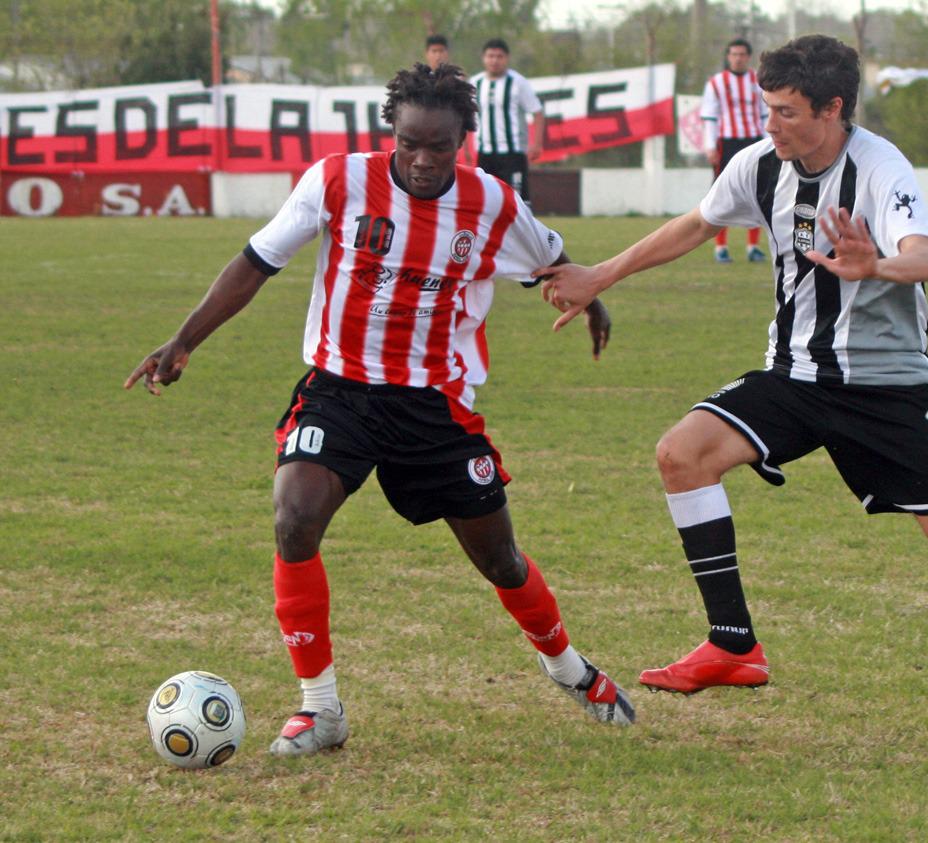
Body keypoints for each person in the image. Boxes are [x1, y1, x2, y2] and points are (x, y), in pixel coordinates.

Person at [536, 35, 928, 738]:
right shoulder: (760, 164)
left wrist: (874, 266)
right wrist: (600, 274)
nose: (769, 124)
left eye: (786, 112)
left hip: (885, 391)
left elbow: (926, 259)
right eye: (766, 109)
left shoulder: (880, 169)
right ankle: (734, 642)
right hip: (795, 376)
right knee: (682, 453)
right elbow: (696, 224)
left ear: (832, 108)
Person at [125, 63, 632, 757]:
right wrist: (184, 339)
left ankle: (567, 667)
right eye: (410, 144)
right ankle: (321, 708)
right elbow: (255, 261)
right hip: (341, 390)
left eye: (440, 146)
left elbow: (550, 258)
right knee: (294, 515)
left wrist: (592, 297)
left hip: (434, 407)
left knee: (502, 561)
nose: (423, 161)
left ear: (464, 139)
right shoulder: (337, 181)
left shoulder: (492, 204)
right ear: (391, 132)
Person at [701, 39, 768, 264]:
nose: (738, 58)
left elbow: (765, 113)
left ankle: (753, 247)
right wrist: (710, 145)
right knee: (722, 193)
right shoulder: (716, 83)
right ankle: (720, 247)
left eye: (742, 54)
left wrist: (770, 142)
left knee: (758, 191)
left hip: (754, 141)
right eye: (734, 54)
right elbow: (710, 117)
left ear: (748, 57)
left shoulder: (758, 81)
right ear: (728, 57)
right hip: (726, 143)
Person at [467, 39, 544, 202]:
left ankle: (523, 228)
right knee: (485, 200)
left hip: (513, 154)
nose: (494, 60)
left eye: (499, 56)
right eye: (490, 56)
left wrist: (536, 144)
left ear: (506, 58)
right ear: (483, 58)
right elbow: (466, 116)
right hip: (485, 153)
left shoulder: (518, 82)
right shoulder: (475, 83)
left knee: (518, 201)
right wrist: (466, 148)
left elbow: (537, 112)